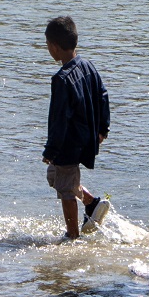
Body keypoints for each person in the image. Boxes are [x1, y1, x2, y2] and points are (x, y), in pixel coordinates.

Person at [42, 15, 112, 240]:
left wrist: (51, 150)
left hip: (68, 142)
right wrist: (103, 129)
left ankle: (72, 236)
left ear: (53, 46)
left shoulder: (61, 79)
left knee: (65, 188)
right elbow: (103, 95)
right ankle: (92, 203)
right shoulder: (87, 66)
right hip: (85, 137)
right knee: (56, 176)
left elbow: (59, 118)